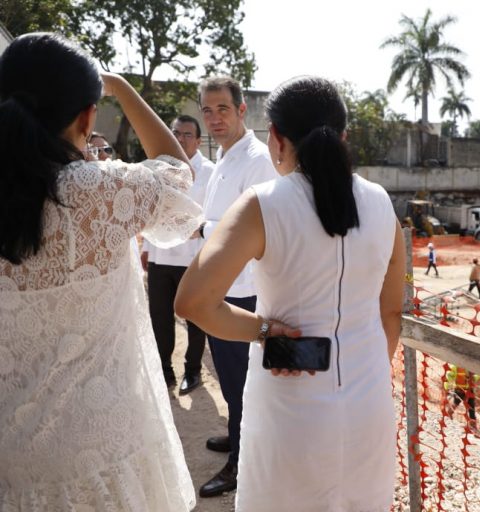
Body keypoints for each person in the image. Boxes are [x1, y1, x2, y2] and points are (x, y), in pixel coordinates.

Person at [176, 76, 406, 511]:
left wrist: (264, 331)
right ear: (343, 138)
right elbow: (390, 312)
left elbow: (193, 302)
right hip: (368, 403)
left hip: (290, 406)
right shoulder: (381, 203)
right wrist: (363, 369)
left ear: (277, 139)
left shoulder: (263, 203)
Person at [0, 33, 200, 510]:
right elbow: (178, 172)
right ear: (88, 118)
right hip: (108, 452)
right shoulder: (102, 191)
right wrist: (123, 88)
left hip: (12, 457)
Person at [192, 75, 279, 498]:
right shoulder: (224, 156)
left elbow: (253, 227)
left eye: (223, 109)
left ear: (242, 110)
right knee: (229, 377)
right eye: (207, 111)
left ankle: (242, 464)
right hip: (221, 284)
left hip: (242, 288)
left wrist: (202, 229)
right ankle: (236, 433)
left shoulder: (258, 159)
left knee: (240, 379)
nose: (214, 119)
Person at [141, 115, 215, 393]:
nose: (180, 139)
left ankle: (192, 370)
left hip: (193, 257)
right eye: (176, 133)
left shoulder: (210, 172)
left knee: (194, 317)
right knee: (160, 316)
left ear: (198, 141)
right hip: (160, 256)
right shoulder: (159, 167)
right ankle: (164, 370)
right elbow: (153, 212)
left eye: (187, 134)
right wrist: (147, 248)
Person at [444, 364, 480, 428]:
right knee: (456, 403)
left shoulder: (473, 365)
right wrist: (447, 386)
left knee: (471, 406)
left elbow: (479, 375)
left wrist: (474, 378)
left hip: (469, 390)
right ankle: (450, 412)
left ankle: (473, 424)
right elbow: (449, 375)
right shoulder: (455, 366)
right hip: (459, 390)